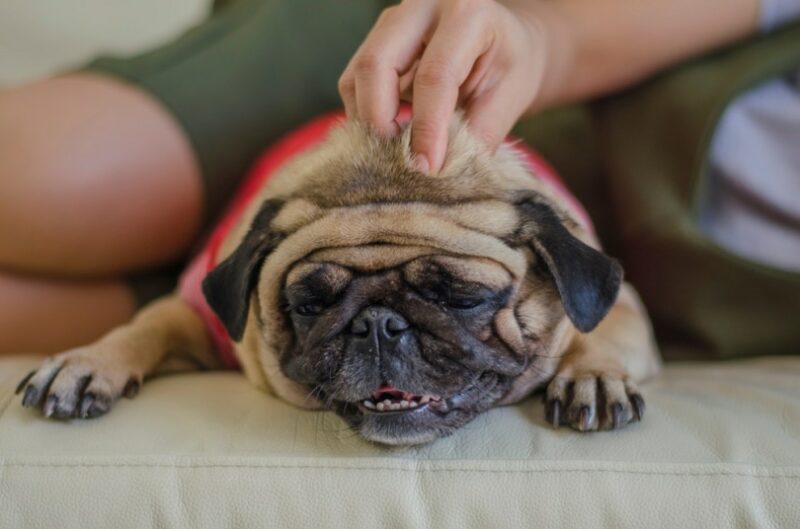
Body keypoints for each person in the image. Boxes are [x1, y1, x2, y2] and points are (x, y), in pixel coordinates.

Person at [0, 0, 797, 356]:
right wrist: (527, 35)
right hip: (407, 81)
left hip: (297, 280)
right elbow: (570, 33)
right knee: (38, 175)